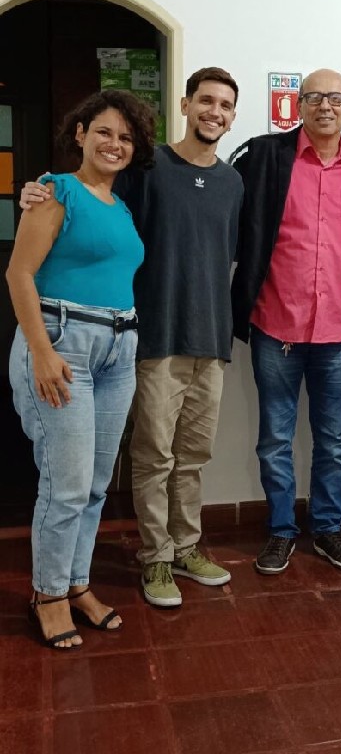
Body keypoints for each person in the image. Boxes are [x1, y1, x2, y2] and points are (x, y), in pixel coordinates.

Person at [19, 68, 244, 609]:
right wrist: (35, 189)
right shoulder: (148, 168)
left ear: (233, 116)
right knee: (154, 454)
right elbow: (91, 203)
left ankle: (185, 546)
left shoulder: (233, 182)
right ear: (185, 105)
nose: (214, 112)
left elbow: (227, 254)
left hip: (211, 336)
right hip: (151, 334)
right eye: (205, 101)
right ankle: (155, 556)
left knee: (194, 454)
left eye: (225, 105)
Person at [7, 89, 155, 648]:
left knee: (94, 485)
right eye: (104, 132)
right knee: (66, 485)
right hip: (63, 342)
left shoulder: (121, 207)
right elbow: (19, 274)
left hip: (119, 349)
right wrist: (42, 351)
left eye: (125, 137)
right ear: (80, 134)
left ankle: (76, 583)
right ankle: (47, 595)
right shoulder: (56, 190)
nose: (114, 144)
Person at [229, 68, 341, 575]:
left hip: (338, 331)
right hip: (276, 324)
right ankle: (280, 531)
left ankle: (328, 529)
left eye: (336, 98)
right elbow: (221, 200)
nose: (325, 106)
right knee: (275, 440)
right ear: (297, 106)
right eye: (315, 97)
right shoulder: (265, 155)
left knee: (333, 442)